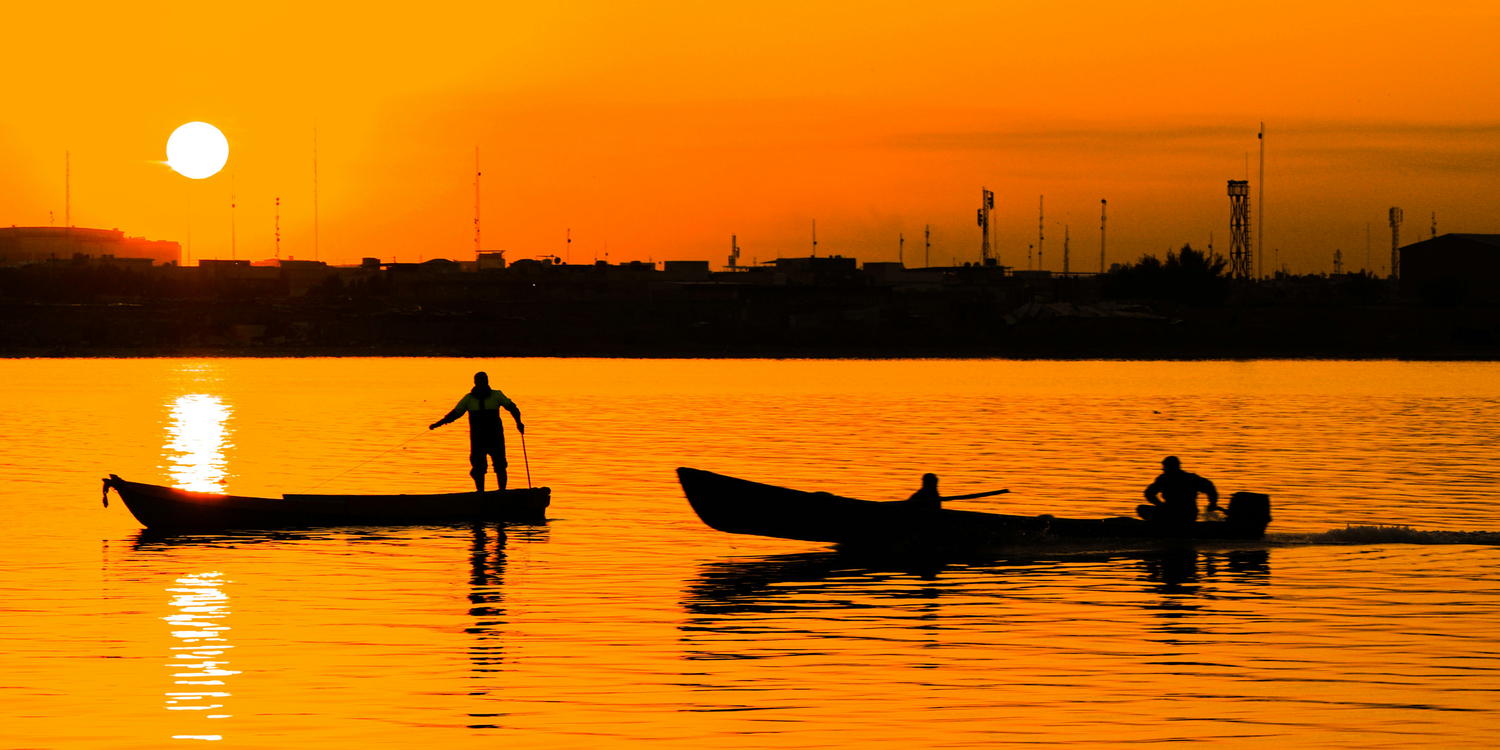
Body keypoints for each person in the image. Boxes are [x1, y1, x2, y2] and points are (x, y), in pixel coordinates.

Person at [429, 371, 524, 492]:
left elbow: (513, 408)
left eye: (483, 382)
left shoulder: (496, 395)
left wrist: (519, 423)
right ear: (475, 383)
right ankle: (481, 493)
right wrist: (438, 424)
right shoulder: (468, 399)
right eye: (480, 382)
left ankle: (502, 492)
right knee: (479, 468)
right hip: (478, 440)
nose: (482, 384)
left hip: (495, 438)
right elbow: (454, 414)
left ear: (487, 382)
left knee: (500, 466)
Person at [1138, 456, 1219, 524]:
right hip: (1189, 514)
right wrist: (1212, 503)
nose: (1163, 470)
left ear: (1167, 467)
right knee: (1143, 508)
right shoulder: (1191, 478)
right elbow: (1210, 487)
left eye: (1164, 467)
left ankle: (1158, 525)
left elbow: (1149, 493)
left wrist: (1159, 505)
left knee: (1141, 508)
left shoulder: (1164, 479)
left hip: (1171, 513)